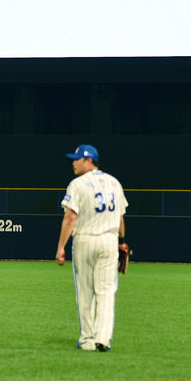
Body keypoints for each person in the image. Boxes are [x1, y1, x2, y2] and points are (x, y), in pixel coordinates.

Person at [55, 144, 128, 352]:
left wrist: (61, 247)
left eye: (77, 159)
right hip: (109, 241)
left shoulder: (77, 184)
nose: (73, 163)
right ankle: (103, 338)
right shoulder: (114, 182)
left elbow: (70, 218)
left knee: (85, 291)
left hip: (85, 240)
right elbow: (120, 219)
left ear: (89, 161)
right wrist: (122, 240)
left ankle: (88, 339)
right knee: (106, 291)